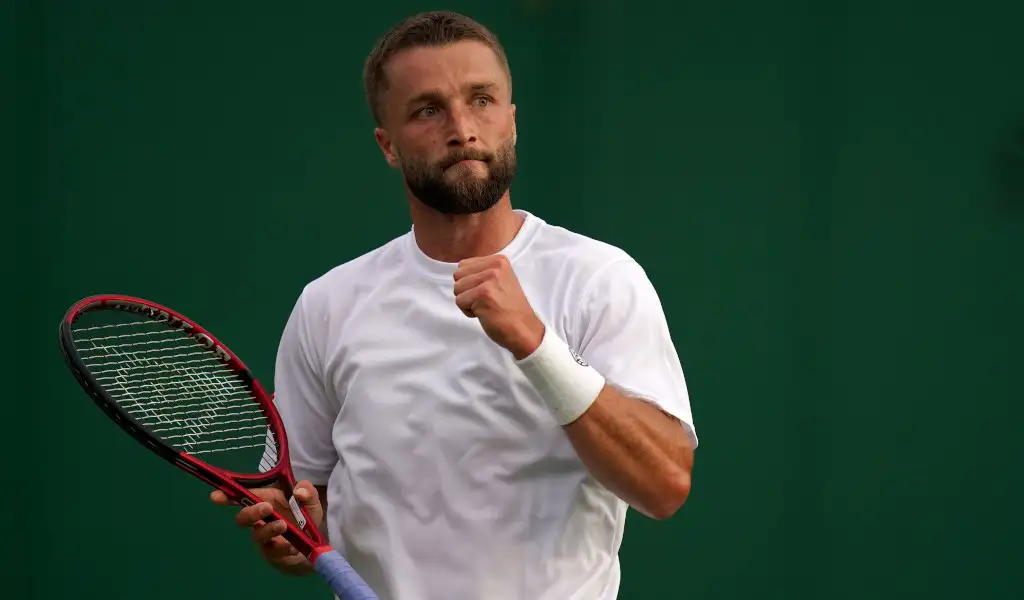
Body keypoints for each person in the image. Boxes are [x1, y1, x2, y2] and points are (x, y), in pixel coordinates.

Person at [211, 10, 698, 600]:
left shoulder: (599, 279)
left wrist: (536, 343)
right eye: (428, 110)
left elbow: (664, 485)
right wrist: (295, 537)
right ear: (388, 146)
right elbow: (308, 509)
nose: (462, 128)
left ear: (511, 121)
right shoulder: (327, 306)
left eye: (482, 100)